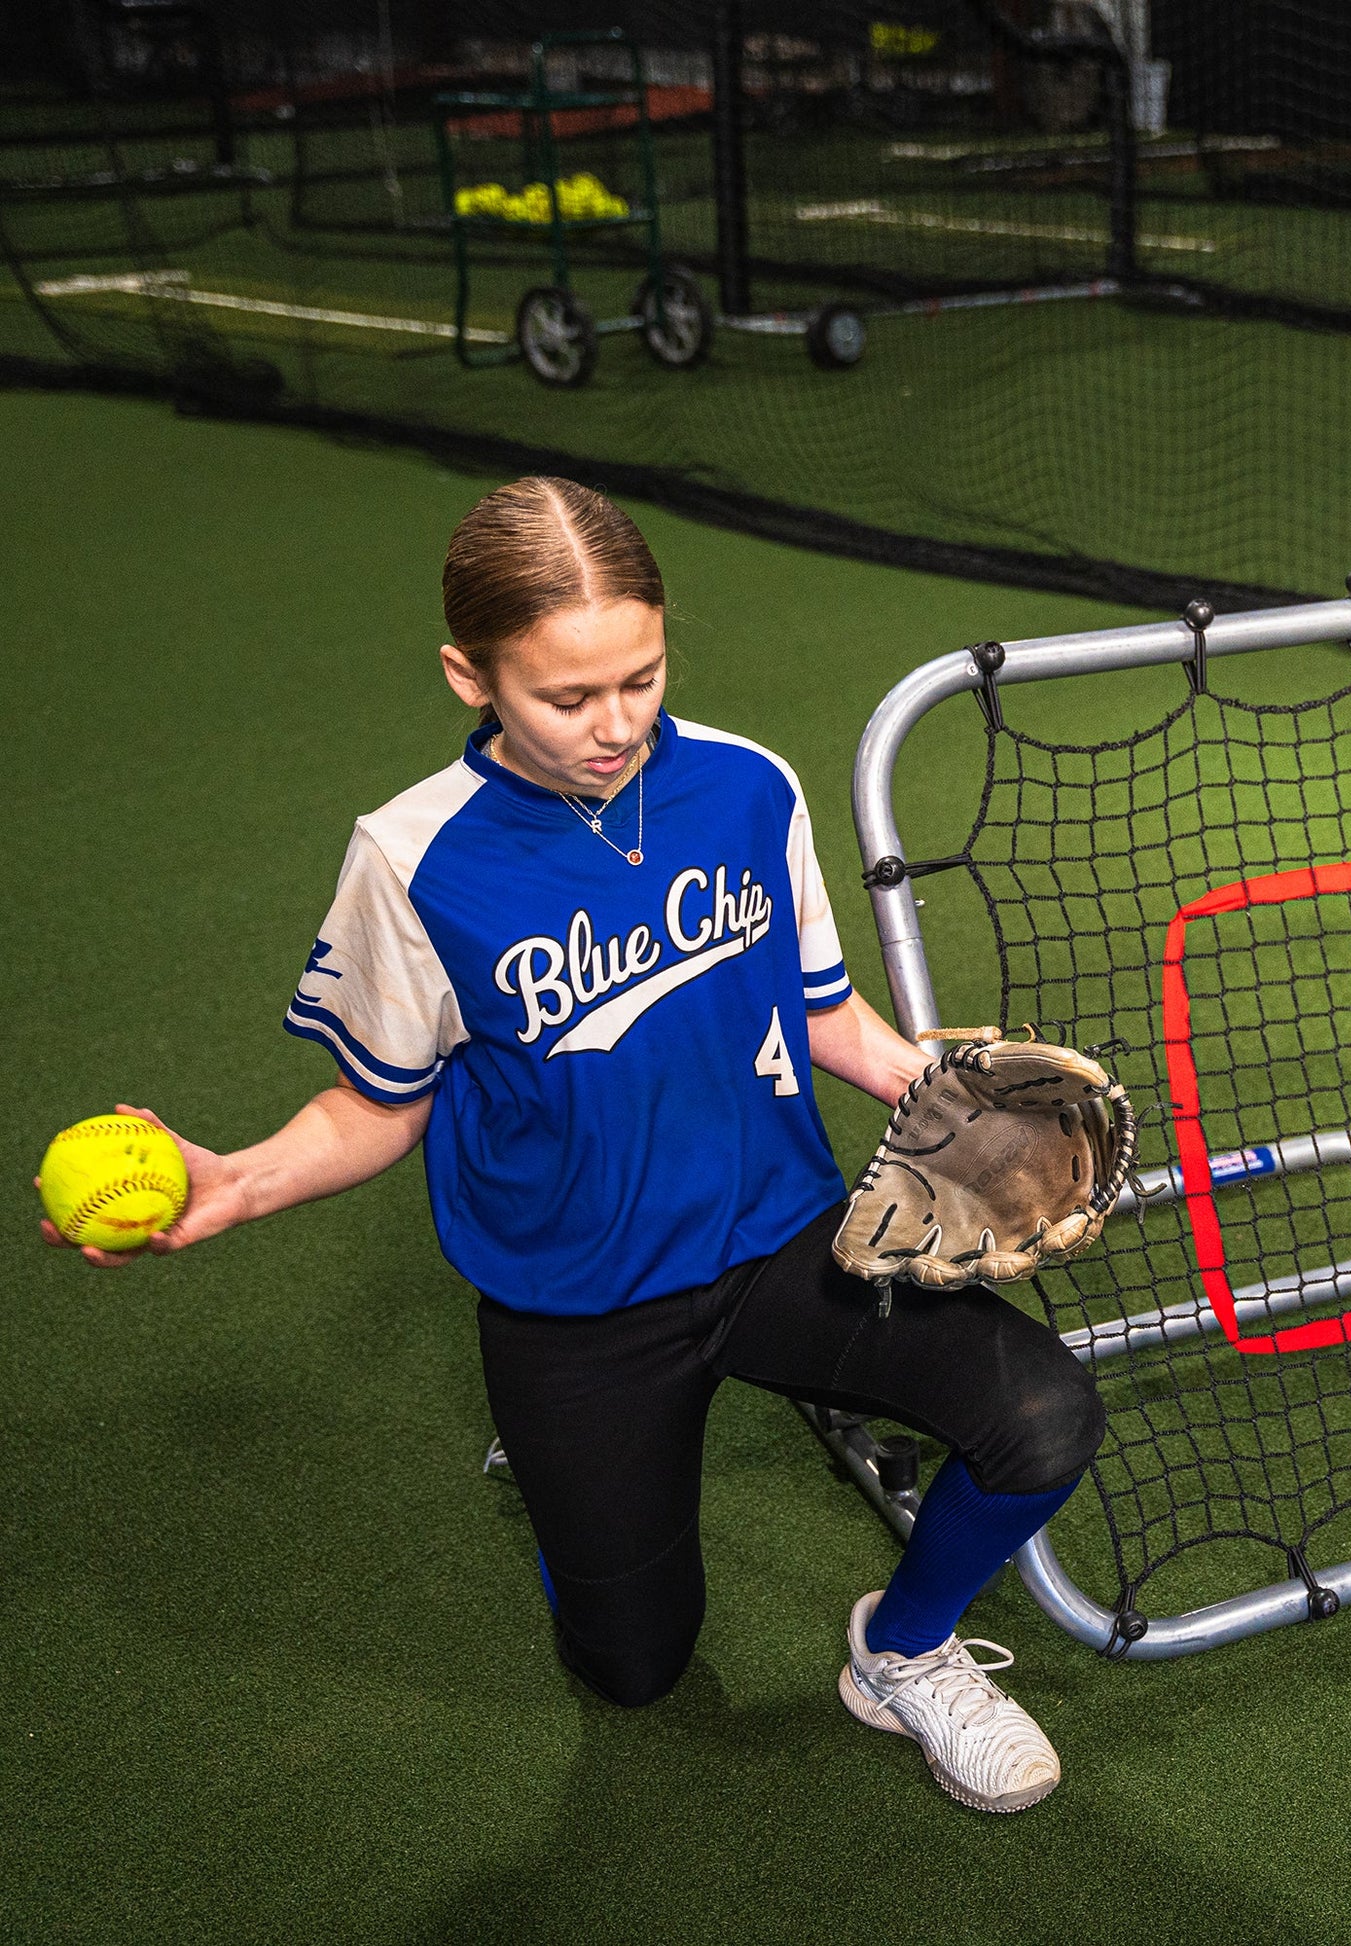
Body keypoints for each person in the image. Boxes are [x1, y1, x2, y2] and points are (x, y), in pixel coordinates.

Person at [38, 477, 1105, 1815]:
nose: (614, 727)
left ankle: (899, 1649)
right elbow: (381, 1098)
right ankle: (559, 1471)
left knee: (1043, 1417)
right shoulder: (413, 857)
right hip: (577, 1308)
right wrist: (236, 1181)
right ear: (467, 675)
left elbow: (816, 1004)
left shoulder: (743, 786)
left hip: (782, 1238)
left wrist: (942, 1096)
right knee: (636, 1666)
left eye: (641, 679)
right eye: (566, 696)